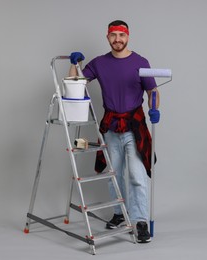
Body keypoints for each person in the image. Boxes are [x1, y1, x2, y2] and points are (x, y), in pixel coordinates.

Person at [69, 20, 160, 243]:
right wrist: (74, 63)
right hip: (110, 126)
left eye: (121, 35)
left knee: (137, 175)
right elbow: (75, 83)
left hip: (133, 126)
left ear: (128, 36)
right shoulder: (99, 63)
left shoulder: (140, 62)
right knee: (114, 175)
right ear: (107, 37)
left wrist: (155, 108)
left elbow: (153, 90)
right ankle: (119, 214)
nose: (117, 39)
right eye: (113, 35)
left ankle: (139, 222)